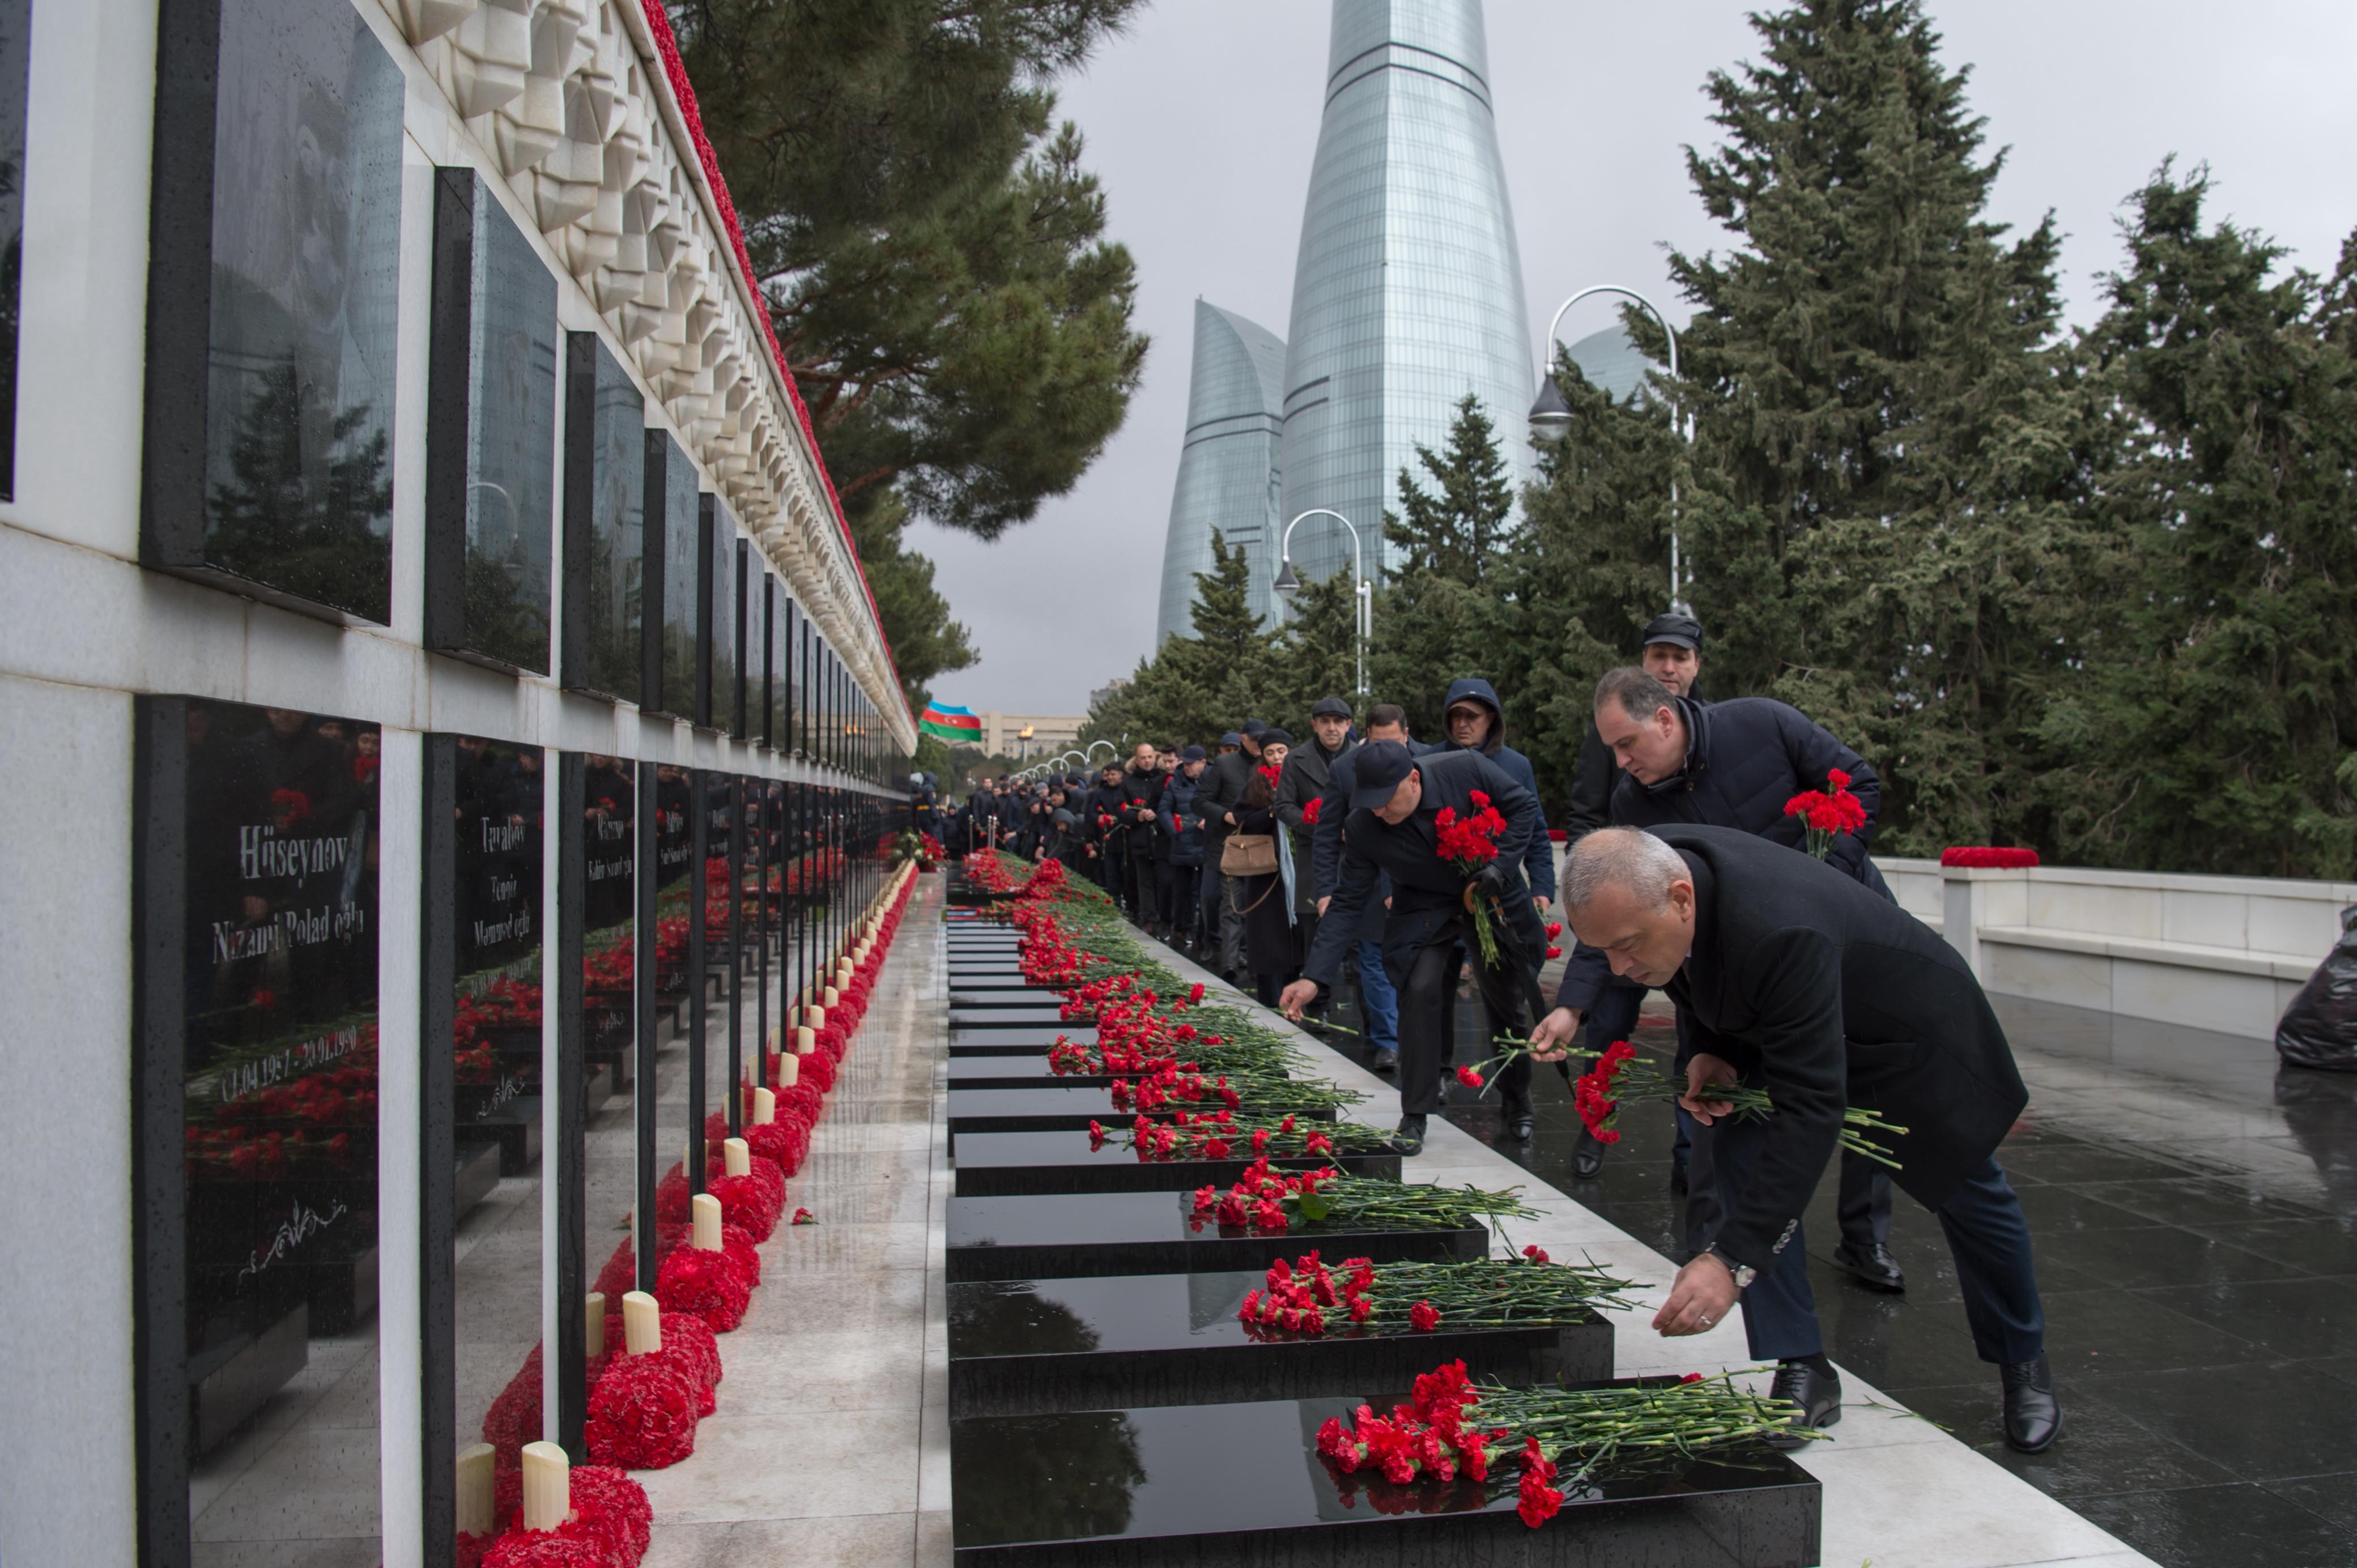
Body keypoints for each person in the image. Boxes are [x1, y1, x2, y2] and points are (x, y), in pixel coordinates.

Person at [1545, 827, 2060, 1454]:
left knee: (1970, 1193)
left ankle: (2022, 1359)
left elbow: (1809, 1108)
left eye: (1625, 948)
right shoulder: (1663, 876)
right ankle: (1801, 1364)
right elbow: (1697, 971)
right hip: (1790, 1015)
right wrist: (1711, 1047)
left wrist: (1730, 1260)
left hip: (1901, 1034)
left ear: (1680, 900)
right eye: (1603, 953)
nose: (1621, 969)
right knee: (1732, 1140)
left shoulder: (1776, 926)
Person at [1538, 664, 1907, 1292]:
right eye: (1611, 751)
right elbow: (1622, 921)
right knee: (1729, 1131)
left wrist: (1821, 886)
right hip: (1726, 988)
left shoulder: (1761, 723)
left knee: (1863, 1099)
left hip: (1844, 942)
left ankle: (1864, 1237)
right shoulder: (1633, 805)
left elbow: (1859, 787)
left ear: (1663, 716)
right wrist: (1573, 1005)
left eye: (1627, 744)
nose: (1621, 762)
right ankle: (1748, 1293)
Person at [1282, 741, 1548, 1152]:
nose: (1379, 812)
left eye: (1386, 802)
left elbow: (1524, 807)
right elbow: (1348, 900)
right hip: (1423, 906)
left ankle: (1517, 1100)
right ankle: (1416, 1112)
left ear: (1413, 779)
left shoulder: (1466, 768)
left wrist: (1500, 865)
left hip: (1487, 889)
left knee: (1505, 997)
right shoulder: (1364, 826)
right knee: (1419, 989)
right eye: (1370, 803)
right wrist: (1313, 977)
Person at [1560, 612, 1708, 1183]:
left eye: (1680, 657)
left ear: (1696, 665)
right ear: (1642, 663)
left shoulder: (1711, 725)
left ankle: (1690, 1155)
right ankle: (1593, 1128)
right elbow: (1585, 810)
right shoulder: (1611, 731)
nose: (1668, 667)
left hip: (1687, 917)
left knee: (1698, 1039)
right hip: (1623, 907)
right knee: (1608, 1029)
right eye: (1657, 657)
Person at [1308, 705, 1413, 1071]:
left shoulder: (1428, 764)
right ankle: (1388, 1041)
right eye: (1377, 743)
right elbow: (1326, 835)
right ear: (1365, 736)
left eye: (1395, 743)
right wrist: (1325, 890)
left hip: (1415, 887)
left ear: (1407, 735)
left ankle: (1416, 1038)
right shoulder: (1345, 769)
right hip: (1364, 886)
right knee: (1373, 964)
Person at [1276, 696, 1357, 1008]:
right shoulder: (1296, 760)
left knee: (1361, 936)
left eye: (1338, 722)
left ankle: (1373, 1021)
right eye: (1325, 722)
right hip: (1315, 856)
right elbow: (1283, 806)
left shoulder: (1363, 756)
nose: (1332, 728)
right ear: (1315, 725)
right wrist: (1321, 826)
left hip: (1357, 855)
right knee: (1315, 934)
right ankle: (1317, 1006)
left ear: (1349, 725)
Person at [1227, 730, 1297, 1004]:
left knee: (1296, 938)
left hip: (1297, 873)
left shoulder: (1300, 777)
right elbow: (1242, 819)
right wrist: (1273, 810)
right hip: (1265, 874)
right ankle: (1271, 1000)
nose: (1277, 757)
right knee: (1269, 941)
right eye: (1270, 753)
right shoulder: (1256, 783)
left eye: (1281, 751)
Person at [1195, 720, 1267, 981]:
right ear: (1243, 739)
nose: (1259, 744)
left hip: (1263, 845)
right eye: (1254, 739)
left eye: (1263, 739)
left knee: (1258, 905)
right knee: (1232, 905)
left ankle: (1254, 958)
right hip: (1229, 846)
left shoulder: (1272, 766)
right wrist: (1225, 816)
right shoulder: (1224, 765)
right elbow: (1200, 801)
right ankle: (1229, 963)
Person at [1158, 746, 1209, 952]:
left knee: (1207, 894)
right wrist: (1175, 831)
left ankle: (1205, 935)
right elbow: (1164, 810)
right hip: (1183, 845)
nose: (1186, 768)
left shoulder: (1212, 780)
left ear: (1203, 763)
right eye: (1185, 764)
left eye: (1191, 764)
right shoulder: (1175, 783)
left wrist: (1211, 820)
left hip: (1207, 845)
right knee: (1182, 892)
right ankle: (1181, 929)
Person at [1119, 742, 1165, 933]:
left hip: (1162, 838)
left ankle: (1165, 918)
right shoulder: (1128, 783)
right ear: (1136, 760)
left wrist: (1158, 814)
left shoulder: (1164, 779)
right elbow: (1121, 810)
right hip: (1140, 838)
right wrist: (1137, 816)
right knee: (1145, 882)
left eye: (1150, 757)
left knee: (1165, 881)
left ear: (1155, 757)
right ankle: (1150, 919)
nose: (1147, 761)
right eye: (1143, 758)